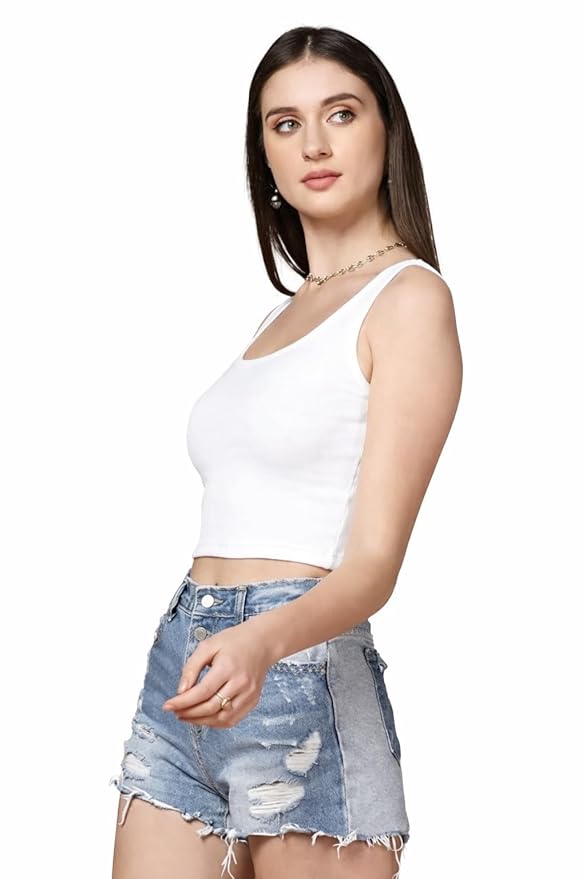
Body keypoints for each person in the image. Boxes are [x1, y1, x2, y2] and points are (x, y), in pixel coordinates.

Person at [110, 24, 463, 879]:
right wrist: (225, 640)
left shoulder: (409, 300)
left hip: (301, 671)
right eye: (285, 123)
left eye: (340, 113)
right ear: (262, 154)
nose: (313, 145)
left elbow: (372, 565)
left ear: (386, 131)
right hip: (188, 663)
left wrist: (261, 641)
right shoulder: (280, 315)